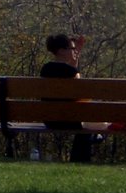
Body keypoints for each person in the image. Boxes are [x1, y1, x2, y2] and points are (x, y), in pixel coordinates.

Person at [40, 33, 94, 163]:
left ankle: (78, 160)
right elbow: (79, 91)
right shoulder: (70, 71)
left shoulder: (45, 69)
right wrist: (75, 65)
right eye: (72, 49)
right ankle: (79, 160)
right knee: (87, 126)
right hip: (69, 119)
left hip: (49, 120)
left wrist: (74, 62)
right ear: (61, 51)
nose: (74, 51)